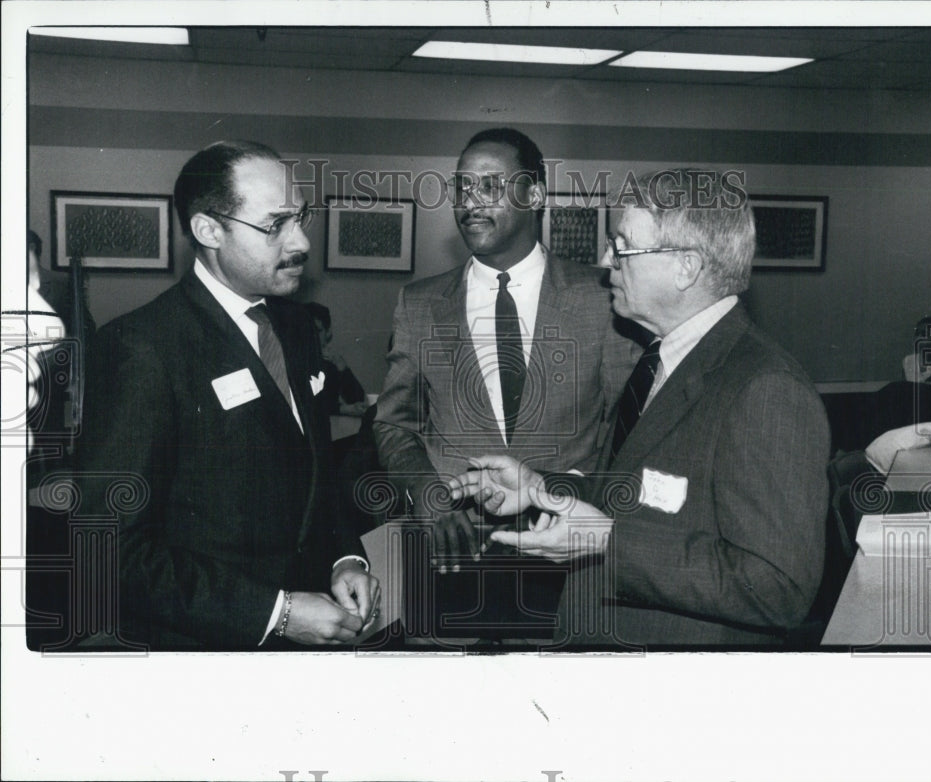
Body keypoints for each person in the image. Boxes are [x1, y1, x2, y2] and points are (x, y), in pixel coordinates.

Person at [447, 169, 831, 647]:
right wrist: (540, 487)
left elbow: (778, 587)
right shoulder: (660, 360)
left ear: (685, 267)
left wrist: (608, 541)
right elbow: (636, 491)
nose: (606, 260)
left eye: (623, 247)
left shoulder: (765, 388)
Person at [74, 140, 379, 650]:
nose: (301, 241)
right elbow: (107, 548)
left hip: (309, 634)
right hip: (203, 650)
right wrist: (277, 614)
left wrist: (345, 557)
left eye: (300, 217)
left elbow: (315, 473)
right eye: (275, 224)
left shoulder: (297, 326)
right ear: (208, 230)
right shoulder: (142, 347)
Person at [373, 127, 636, 641]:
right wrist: (428, 494)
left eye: (490, 186)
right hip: (449, 555)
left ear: (535, 195)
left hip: (565, 551)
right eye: (462, 187)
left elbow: (625, 428)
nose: (470, 202)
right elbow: (393, 424)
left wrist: (564, 492)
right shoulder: (421, 303)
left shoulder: (602, 298)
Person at [305, 302, 367, 417]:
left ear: (328, 332)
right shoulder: (292, 363)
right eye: (307, 331)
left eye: (317, 331)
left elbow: (357, 400)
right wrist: (342, 409)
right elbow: (307, 405)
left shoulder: (330, 362)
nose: (312, 336)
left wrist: (342, 367)